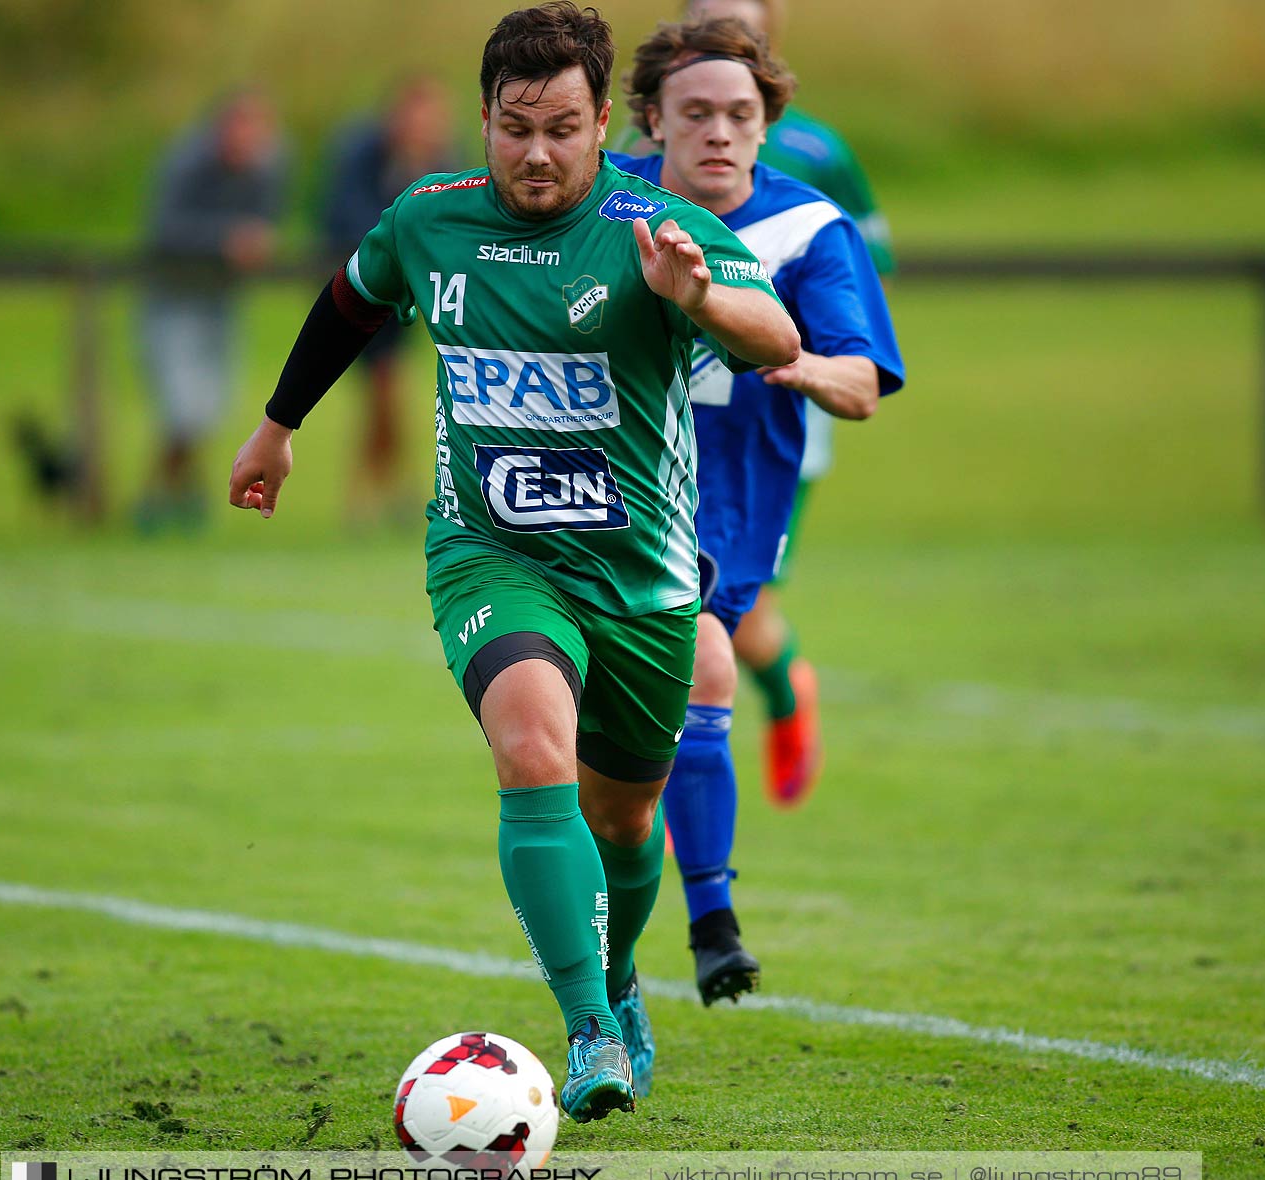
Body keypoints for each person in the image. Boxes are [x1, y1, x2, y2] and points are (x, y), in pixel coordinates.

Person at [227, 2, 798, 1121]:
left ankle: (619, 983)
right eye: (515, 125)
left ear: (600, 129)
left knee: (627, 823)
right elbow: (351, 301)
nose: (537, 152)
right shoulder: (430, 220)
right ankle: (587, 1028)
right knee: (532, 746)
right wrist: (278, 426)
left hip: (640, 579)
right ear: (485, 118)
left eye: (564, 129)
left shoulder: (657, 232)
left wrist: (698, 296)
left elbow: (776, 338)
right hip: (491, 555)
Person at [610, 15, 903, 1004]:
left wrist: (804, 361)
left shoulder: (809, 226)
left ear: (768, 121)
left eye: (741, 115)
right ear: (651, 120)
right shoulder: (604, 203)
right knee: (630, 709)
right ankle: (699, 926)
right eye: (698, 114)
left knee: (700, 662)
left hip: (730, 499)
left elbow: (864, 384)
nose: (720, 133)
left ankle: (705, 924)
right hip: (598, 491)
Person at [138, 91, 288, 533]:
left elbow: (264, 223)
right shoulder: (186, 163)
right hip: (173, 299)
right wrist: (224, 239)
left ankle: (171, 496)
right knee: (183, 407)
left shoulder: (267, 168)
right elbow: (163, 229)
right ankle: (165, 496)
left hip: (222, 302)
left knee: (208, 406)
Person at [319, 76, 457, 529]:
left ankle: (378, 491)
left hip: (408, 292)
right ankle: (371, 493)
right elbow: (347, 219)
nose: (423, 127)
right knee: (384, 391)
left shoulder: (441, 163)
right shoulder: (361, 155)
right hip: (358, 285)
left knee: (386, 394)